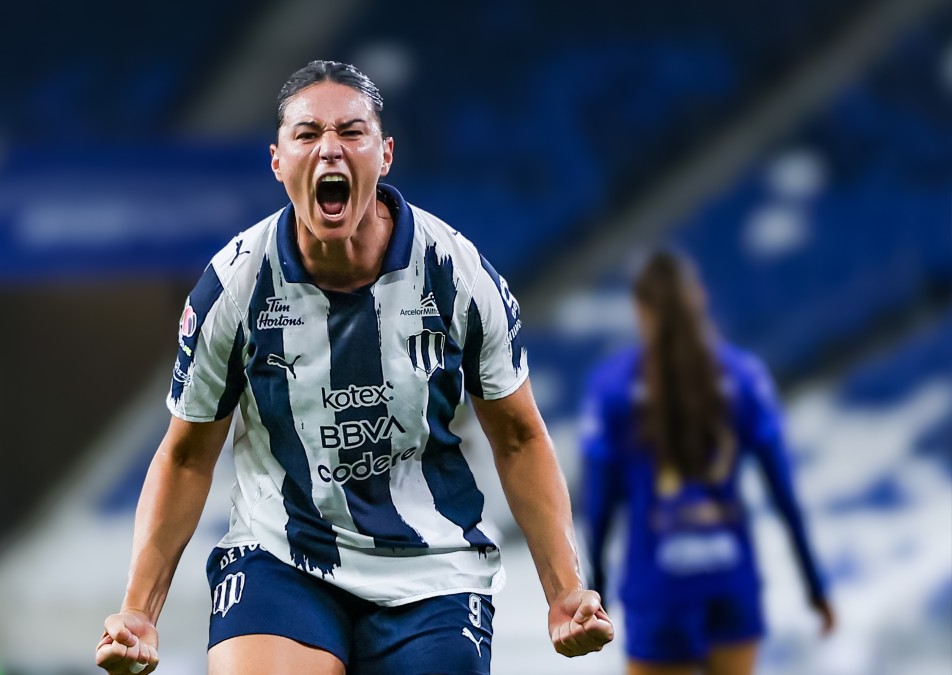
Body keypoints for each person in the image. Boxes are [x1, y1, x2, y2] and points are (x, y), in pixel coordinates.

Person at [95, 60, 613, 674]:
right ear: (278, 161)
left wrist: (564, 593)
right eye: (308, 134)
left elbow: (520, 436)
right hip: (282, 556)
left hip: (432, 568)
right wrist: (139, 610)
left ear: (385, 154)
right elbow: (186, 455)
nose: (330, 149)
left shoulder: (457, 274)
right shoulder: (234, 286)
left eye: (351, 131)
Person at [580, 250, 835, 675]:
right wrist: (816, 588)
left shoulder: (612, 388)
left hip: (658, 584)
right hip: (732, 580)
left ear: (640, 310)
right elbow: (785, 496)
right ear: (698, 298)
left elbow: (599, 507)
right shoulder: (746, 376)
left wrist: (596, 589)